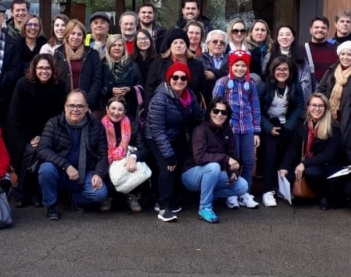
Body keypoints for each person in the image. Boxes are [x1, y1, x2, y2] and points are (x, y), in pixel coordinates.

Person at [146, 62, 206, 222]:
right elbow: (157, 130)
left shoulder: (189, 95)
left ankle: (172, 198)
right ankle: (163, 206)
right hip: (156, 137)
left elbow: (199, 114)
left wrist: (217, 119)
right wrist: (168, 155)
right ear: (169, 79)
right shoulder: (160, 99)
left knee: (180, 163)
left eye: (183, 77)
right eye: (175, 77)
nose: (179, 81)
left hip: (176, 135)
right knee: (167, 166)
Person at [37, 91, 110, 220]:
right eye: (71, 105)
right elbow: (42, 149)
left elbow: (103, 153)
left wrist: (98, 174)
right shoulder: (54, 123)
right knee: (46, 169)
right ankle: (52, 205)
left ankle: (72, 198)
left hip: (86, 172)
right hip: (60, 171)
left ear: (86, 108)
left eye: (80, 106)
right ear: (65, 107)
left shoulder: (96, 125)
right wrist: (66, 166)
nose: (75, 109)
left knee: (100, 193)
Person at [8, 54, 68, 208]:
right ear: (34, 69)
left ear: (53, 69)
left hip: (50, 133)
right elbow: (16, 114)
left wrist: (45, 137)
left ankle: (36, 192)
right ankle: (23, 191)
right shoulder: (22, 85)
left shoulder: (60, 86)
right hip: (25, 133)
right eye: (40, 68)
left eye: (47, 68)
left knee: (43, 152)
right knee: (30, 151)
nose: (44, 71)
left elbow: (60, 115)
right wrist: (30, 137)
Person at [183, 99, 249, 223]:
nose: (219, 115)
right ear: (209, 112)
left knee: (242, 185)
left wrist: (232, 173)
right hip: (191, 174)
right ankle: (204, 208)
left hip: (212, 173)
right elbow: (200, 157)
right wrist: (225, 158)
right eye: (216, 111)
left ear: (227, 115)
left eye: (223, 112)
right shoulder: (200, 130)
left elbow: (233, 156)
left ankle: (206, 196)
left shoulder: (228, 130)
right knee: (213, 167)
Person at [212, 50, 261, 209]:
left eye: (243, 66)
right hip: (230, 129)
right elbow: (215, 106)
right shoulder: (223, 82)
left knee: (248, 160)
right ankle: (231, 192)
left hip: (247, 127)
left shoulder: (251, 84)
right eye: (237, 65)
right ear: (231, 65)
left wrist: (256, 130)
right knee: (234, 161)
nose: (240, 69)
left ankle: (244, 192)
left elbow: (255, 107)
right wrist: (222, 126)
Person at [279, 93, 344, 210]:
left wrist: (304, 164)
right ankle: (311, 195)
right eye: (313, 105)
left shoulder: (333, 126)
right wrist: (285, 166)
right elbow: (293, 147)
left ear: (326, 108)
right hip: (309, 162)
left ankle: (324, 196)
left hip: (328, 165)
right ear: (308, 107)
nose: (317, 109)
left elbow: (329, 155)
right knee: (288, 175)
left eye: (321, 106)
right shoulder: (302, 123)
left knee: (311, 172)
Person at [257, 56, 305, 207]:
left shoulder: (295, 86)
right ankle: (267, 190)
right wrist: (268, 128)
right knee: (270, 153)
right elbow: (256, 109)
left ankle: (283, 187)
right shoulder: (263, 85)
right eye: (279, 69)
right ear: (273, 70)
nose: (282, 72)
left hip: (286, 123)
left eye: (285, 69)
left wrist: (289, 125)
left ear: (290, 72)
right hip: (267, 123)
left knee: (287, 153)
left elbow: (299, 106)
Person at [315, 41, 351, 137]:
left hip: (350, 117)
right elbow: (320, 90)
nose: (345, 57)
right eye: (343, 54)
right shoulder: (331, 71)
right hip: (328, 115)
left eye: (349, 55)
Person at [101, 96, 147, 213]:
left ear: (125, 111)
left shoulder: (134, 126)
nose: (116, 112)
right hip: (107, 159)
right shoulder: (99, 125)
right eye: (113, 108)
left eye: (120, 109)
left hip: (126, 161)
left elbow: (144, 149)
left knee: (134, 164)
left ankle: (132, 195)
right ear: (107, 109)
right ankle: (108, 195)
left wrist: (133, 156)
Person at [54, 19, 103, 110]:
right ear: (67, 35)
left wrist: (87, 102)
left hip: (87, 104)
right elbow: (55, 78)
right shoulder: (58, 53)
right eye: (73, 33)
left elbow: (97, 80)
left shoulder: (92, 54)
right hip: (63, 104)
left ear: (83, 37)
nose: (76, 37)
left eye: (79, 34)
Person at [145, 28, 204, 102]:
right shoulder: (158, 64)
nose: (178, 45)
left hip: (191, 108)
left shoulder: (197, 65)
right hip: (163, 109)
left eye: (182, 43)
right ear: (170, 46)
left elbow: (203, 89)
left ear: (186, 46)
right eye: (175, 43)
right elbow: (149, 91)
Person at [101, 34, 143, 119]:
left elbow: (141, 86)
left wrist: (130, 89)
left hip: (129, 111)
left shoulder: (133, 65)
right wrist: (110, 91)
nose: (117, 48)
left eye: (120, 45)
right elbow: (96, 86)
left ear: (124, 48)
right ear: (109, 48)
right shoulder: (101, 65)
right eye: (114, 45)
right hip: (106, 110)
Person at [268, 25, 313, 100]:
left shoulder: (301, 57)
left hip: (296, 100)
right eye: (281, 34)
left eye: (288, 34)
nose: (284, 37)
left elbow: (306, 82)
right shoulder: (269, 56)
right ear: (277, 38)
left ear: (293, 38)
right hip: (273, 100)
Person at [303, 16, 337, 84]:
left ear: (327, 31)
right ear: (310, 30)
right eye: (316, 27)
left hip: (329, 91)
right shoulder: (302, 50)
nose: (320, 30)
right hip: (308, 93)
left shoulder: (336, 50)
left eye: (323, 28)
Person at [200, 30, 230, 103]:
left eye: (222, 42)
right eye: (215, 41)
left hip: (227, 100)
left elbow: (233, 76)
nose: (218, 44)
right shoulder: (199, 60)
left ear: (225, 46)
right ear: (208, 44)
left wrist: (215, 75)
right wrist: (222, 74)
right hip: (206, 100)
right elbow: (202, 78)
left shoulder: (231, 60)